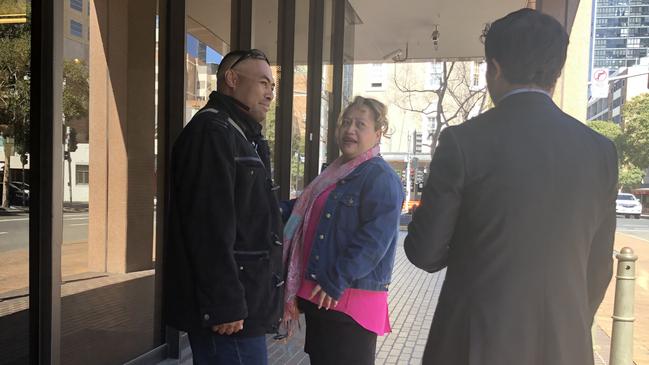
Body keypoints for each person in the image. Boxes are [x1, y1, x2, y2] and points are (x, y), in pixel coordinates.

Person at [404, 9, 618, 365]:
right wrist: (569, 320)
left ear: (495, 68)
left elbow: (424, 252)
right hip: (565, 347)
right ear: (557, 72)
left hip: (473, 343)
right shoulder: (600, 151)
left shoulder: (462, 142)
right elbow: (599, 268)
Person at [163, 49, 284, 365]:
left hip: (244, 305)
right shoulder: (213, 132)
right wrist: (225, 303)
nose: (270, 93)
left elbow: (249, 215)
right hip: (231, 314)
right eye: (263, 82)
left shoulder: (238, 133)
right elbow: (208, 228)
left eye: (272, 86)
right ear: (232, 79)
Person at [281, 96, 404, 365]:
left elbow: (374, 240)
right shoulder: (335, 173)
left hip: (348, 300)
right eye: (346, 122)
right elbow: (303, 209)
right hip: (321, 297)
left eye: (360, 124)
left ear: (378, 133)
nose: (350, 130)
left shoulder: (380, 177)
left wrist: (336, 278)